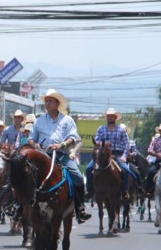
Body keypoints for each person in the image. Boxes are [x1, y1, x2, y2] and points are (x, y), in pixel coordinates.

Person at [28, 88, 91, 223]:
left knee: (78, 177)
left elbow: (73, 138)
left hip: (61, 154)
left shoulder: (67, 120)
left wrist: (61, 145)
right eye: (46, 101)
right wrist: (37, 146)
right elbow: (31, 139)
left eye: (50, 101)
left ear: (57, 103)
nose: (47, 104)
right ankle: (20, 206)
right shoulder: (38, 121)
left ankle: (80, 208)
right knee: (26, 173)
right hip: (43, 155)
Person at [84, 108, 133, 200]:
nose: (110, 118)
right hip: (103, 154)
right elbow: (97, 140)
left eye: (112, 116)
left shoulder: (121, 130)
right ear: (106, 117)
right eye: (108, 116)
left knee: (126, 170)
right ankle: (89, 191)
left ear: (115, 118)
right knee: (88, 168)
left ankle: (124, 191)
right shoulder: (101, 128)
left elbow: (127, 143)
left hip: (117, 154)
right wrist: (104, 144)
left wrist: (124, 156)